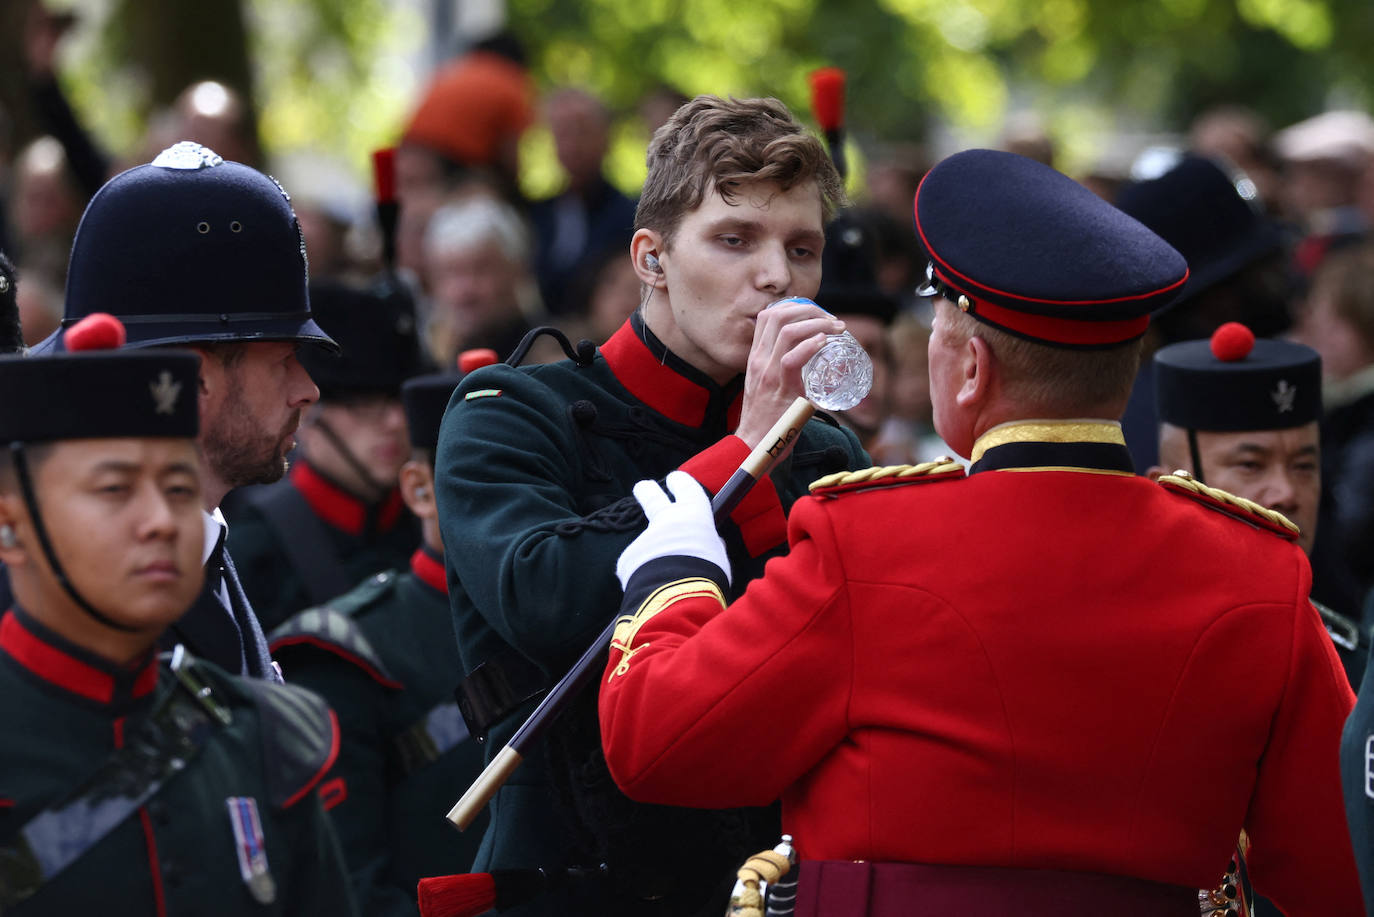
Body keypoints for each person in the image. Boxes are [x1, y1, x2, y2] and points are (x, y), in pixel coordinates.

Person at [597, 149, 1361, 916]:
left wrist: (674, 573)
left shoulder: (864, 540)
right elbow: (1340, 870)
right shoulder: (1260, 567)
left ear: (971, 368)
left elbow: (658, 739)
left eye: (939, 329)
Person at [434, 95, 867, 915]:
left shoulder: (826, 449)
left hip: (764, 881)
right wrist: (743, 456)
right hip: (568, 877)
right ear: (651, 258)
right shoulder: (508, 407)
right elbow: (543, 590)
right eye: (735, 240)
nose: (776, 276)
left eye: (800, 248)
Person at [0, 315, 356, 916]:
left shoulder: (259, 736)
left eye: (178, 488)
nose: (162, 521)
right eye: (114, 489)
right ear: (11, 528)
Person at [34, 141, 337, 681]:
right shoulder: (86, 598)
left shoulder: (189, 545)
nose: (307, 389)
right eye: (284, 361)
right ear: (193, 379)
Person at [269, 367, 489, 916]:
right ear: (418, 489)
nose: (514, 499)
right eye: (485, 474)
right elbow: (348, 888)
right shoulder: (344, 653)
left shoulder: (590, 617)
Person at [1150, 322, 1366, 683]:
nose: (1286, 493)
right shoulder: (1139, 652)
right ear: (1167, 487)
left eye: (1304, 466)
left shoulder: (1353, 664)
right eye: (1250, 465)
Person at [224, 279, 425, 631]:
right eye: (362, 403)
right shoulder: (253, 555)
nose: (395, 420)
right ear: (308, 412)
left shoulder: (434, 526)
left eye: (400, 399)